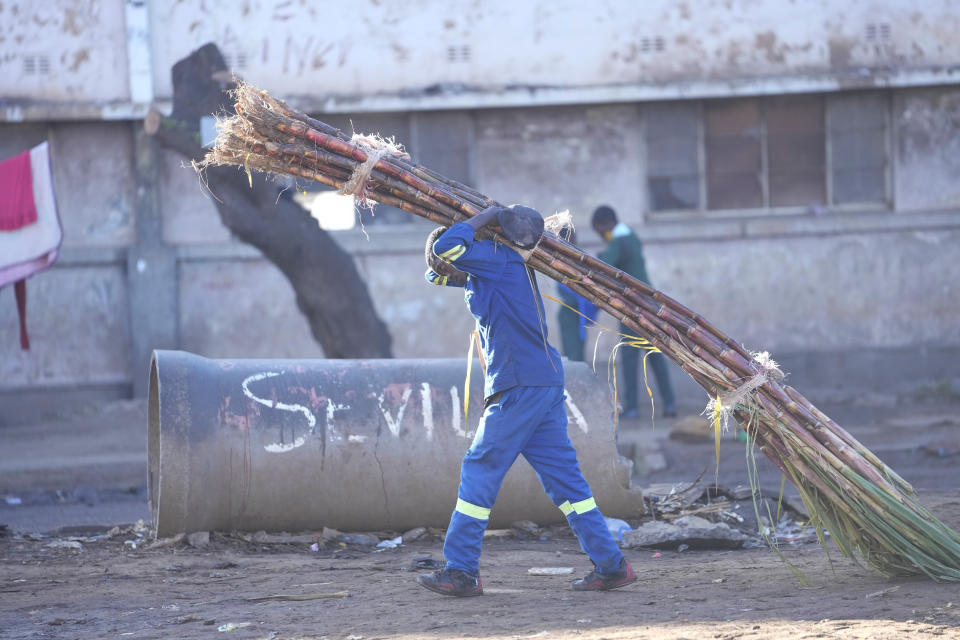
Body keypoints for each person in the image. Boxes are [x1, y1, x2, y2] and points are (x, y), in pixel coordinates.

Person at [417, 205, 636, 597]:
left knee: (479, 467)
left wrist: (484, 215)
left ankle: (462, 569)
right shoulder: (498, 266)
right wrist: (440, 245)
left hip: (519, 386)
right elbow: (437, 272)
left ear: (488, 235)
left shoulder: (495, 259)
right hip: (542, 382)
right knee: (567, 485)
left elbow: (450, 248)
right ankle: (612, 565)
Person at [591, 205, 677, 419]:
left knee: (630, 355)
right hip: (650, 304)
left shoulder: (618, 240)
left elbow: (605, 265)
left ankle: (632, 407)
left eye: (600, 231)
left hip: (633, 307)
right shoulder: (632, 236)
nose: (602, 235)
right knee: (655, 353)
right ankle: (670, 403)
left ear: (606, 224)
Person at [555, 228, 597, 362]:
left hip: (577, 313)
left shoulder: (577, 259)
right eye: (571, 239)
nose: (574, 242)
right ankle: (573, 383)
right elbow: (565, 289)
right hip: (570, 313)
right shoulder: (560, 261)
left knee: (578, 354)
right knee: (573, 357)